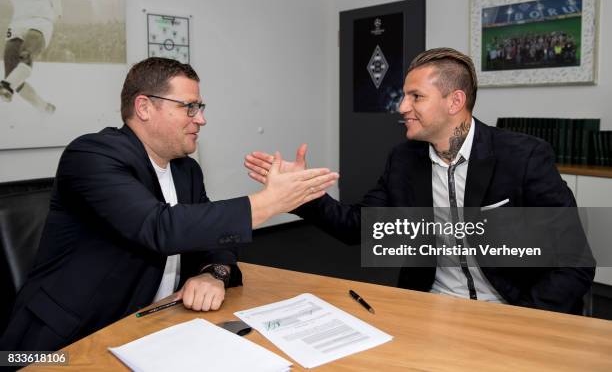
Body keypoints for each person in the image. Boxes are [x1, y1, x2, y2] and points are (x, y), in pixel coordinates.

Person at [0, 57, 339, 352]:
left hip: (150, 323)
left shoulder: (186, 170)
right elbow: (159, 227)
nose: (200, 119)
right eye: (189, 107)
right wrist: (268, 202)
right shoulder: (91, 155)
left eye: (200, 107)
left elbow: (214, 238)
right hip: (67, 338)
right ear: (144, 107)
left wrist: (214, 274)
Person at [244, 47, 595, 314]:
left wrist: (525, 318)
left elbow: (575, 261)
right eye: (404, 95)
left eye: (416, 97)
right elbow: (358, 228)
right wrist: (298, 194)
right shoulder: (404, 160)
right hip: (433, 307)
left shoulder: (524, 156)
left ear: (455, 101)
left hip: (514, 307)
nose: (401, 107)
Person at [0, 0, 58, 113]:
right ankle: (44, 107)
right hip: (17, 24)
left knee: (26, 53)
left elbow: (57, 9)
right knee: (11, 74)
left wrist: (50, 23)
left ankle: (6, 87)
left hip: (40, 22)